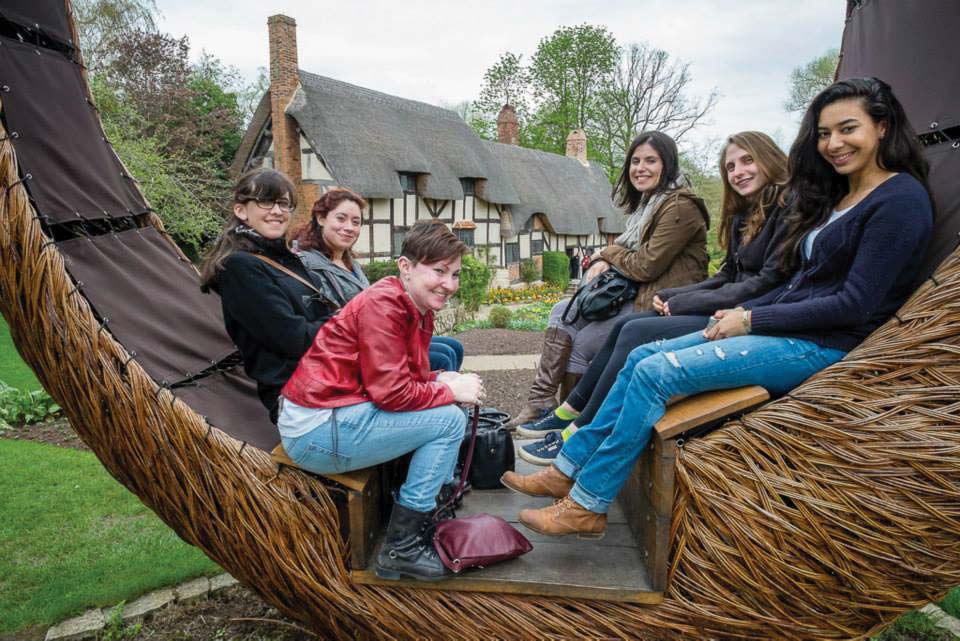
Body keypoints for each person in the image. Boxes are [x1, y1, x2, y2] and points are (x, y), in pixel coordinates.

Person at [502, 77, 934, 539]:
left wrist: (750, 317)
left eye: (848, 129)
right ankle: (566, 468)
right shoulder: (841, 199)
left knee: (656, 372)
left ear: (883, 126)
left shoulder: (899, 201)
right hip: (786, 328)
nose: (834, 143)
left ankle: (587, 504)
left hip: (823, 344)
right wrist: (732, 316)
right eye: (825, 133)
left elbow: (853, 304)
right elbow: (796, 284)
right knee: (639, 356)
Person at [518, 131, 790, 463]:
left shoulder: (777, 209)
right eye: (731, 166)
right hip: (702, 301)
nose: (739, 172)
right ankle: (565, 412)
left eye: (748, 161)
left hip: (746, 313)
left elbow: (764, 281)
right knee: (585, 317)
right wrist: (675, 294)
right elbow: (727, 275)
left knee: (624, 332)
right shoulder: (742, 215)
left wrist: (680, 299)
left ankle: (576, 434)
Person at [278, 220, 484, 581]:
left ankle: (421, 516)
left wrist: (440, 379)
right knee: (449, 420)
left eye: (455, 275)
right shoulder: (384, 306)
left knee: (445, 407)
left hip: (339, 413)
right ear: (405, 267)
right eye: (439, 272)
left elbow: (403, 377)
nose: (449, 285)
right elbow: (391, 394)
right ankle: (401, 548)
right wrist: (451, 392)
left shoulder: (412, 306)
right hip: (317, 431)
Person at [510, 131, 710, 427]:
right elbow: (634, 257)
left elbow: (646, 266)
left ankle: (571, 418)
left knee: (584, 343)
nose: (640, 168)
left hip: (661, 302)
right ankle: (540, 401)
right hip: (636, 293)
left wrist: (608, 252)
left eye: (650, 161)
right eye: (635, 161)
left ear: (667, 164)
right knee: (561, 311)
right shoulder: (647, 206)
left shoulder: (680, 206)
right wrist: (607, 256)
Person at [200, 168, 338, 423]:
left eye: (284, 203)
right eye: (265, 201)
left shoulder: (285, 260)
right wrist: (346, 320)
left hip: (331, 379)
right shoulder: (240, 268)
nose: (277, 211)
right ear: (241, 210)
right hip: (302, 399)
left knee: (436, 353)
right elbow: (293, 339)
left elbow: (316, 321)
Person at [292, 188, 464, 373]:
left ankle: (450, 394)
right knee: (443, 356)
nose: (349, 227)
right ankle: (438, 396)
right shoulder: (307, 264)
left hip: (376, 332)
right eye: (341, 219)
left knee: (453, 346)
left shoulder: (351, 264)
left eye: (355, 222)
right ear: (321, 218)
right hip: (354, 343)